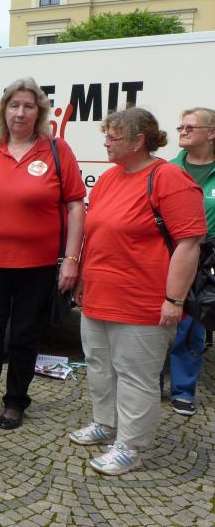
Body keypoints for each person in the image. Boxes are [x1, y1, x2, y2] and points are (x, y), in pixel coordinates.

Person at [69, 107, 206, 475]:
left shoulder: (168, 178)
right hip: (99, 296)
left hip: (141, 301)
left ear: (138, 141)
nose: (106, 142)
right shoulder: (110, 178)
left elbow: (189, 243)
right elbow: (95, 234)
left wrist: (174, 299)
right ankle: (105, 423)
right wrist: (83, 279)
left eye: (113, 136)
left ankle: (130, 447)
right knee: (99, 366)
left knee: (136, 376)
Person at [0, 77, 86, 431]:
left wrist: (71, 259)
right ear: (3, 111)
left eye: (29, 106)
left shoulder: (56, 150)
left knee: (25, 336)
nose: (20, 113)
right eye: (14, 105)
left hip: (38, 266)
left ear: (39, 113)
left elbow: (76, 206)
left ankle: (15, 402)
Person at [167, 107, 215, 416]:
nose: (182, 131)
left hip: (206, 257)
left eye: (190, 127)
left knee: (194, 323)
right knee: (158, 321)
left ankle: (183, 390)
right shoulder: (170, 169)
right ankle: (149, 381)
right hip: (168, 253)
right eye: (181, 127)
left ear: (211, 134)